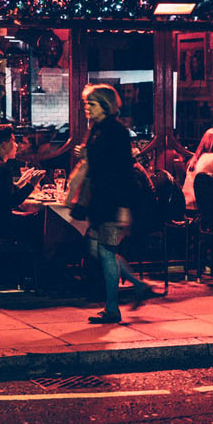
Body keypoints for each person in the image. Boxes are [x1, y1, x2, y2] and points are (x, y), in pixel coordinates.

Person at [73, 83, 154, 323]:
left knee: (106, 252)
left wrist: (124, 208)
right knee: (95, 248)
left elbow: (121, 170)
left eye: (92, 103)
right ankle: (138, 285)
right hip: (100, 201)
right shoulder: (97, 128)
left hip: (111, 201)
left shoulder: (115, 131)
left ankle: (112, 309)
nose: (87, 107)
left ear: (105, 106)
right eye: (87, 103)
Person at [0, 123, 41, 219]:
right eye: (13, 141)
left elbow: (0, 195)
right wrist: (31, 184)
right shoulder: (1, 168)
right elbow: (11, 202)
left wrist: (20, 182)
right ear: (4, 145)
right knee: (40, 217)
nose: (16, 145)